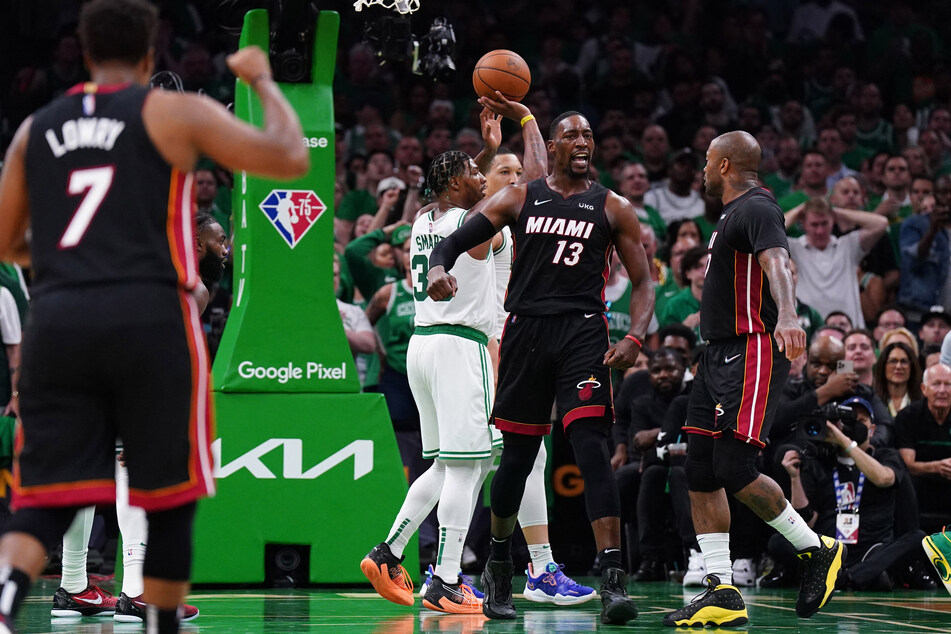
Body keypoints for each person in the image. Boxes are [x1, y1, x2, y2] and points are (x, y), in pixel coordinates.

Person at [0, 1, 308, 631]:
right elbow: (290, 157)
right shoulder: (172, 110)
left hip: (59, 319)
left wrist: (71, 253)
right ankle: (158, 620)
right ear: (150, 56)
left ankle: (5, 606)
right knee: (168, 494)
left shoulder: (38, 127)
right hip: (147, 317)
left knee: (42, 497)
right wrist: (260, 79)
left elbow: (6, 242)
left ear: (83, 54)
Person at [426, 110, 653, 625]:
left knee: (592, 446)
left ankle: (613, 578)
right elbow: (451, 241)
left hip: (583, 333)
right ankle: (501, 566)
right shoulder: (520, 197)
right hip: (526, 331)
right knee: (519, 458)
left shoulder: (613, 206)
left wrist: (636, 336)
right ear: (550, 146)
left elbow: (644, 281)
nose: (582, 141)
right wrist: (438, 267)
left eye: (589, 134)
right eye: (571, 134)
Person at [665, 131, 844, 629]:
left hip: (753, 348)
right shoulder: (729, 215)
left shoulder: (758, 208)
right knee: (698, 468)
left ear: (724, 165)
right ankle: (721, 590)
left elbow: (778, 264)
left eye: (706, 161)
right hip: (716, 353)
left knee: (735, 467)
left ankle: (816, 550)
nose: (701, 169)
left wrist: (788, 315)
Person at [51, 212, 229, 623]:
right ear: (198, 244)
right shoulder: (191, 285)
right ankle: (137, 591)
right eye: (221, 240)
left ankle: (74, 585)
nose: (227, 250)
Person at [896, 363, 951, 532]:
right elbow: (907, 465)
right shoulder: (908, 417)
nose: (942, 390)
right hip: (917, 496)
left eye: (948, 384)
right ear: (924, 389)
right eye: (936, 384)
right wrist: (938, 467)